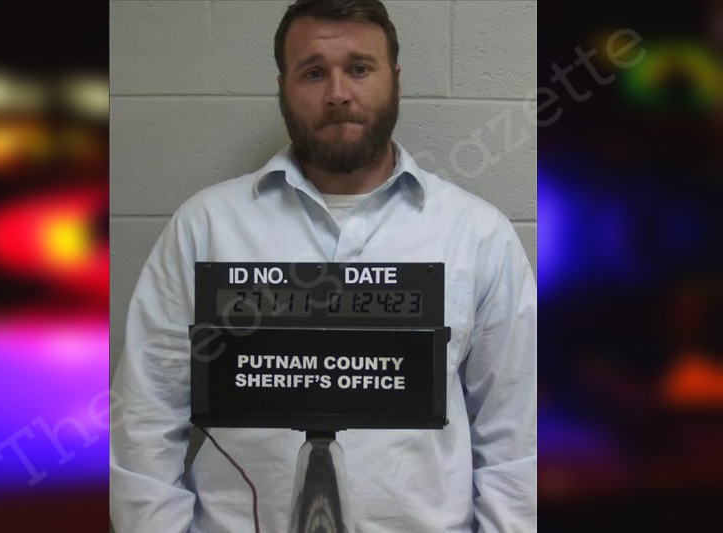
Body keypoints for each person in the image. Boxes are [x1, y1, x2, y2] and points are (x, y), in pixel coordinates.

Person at [110, 1, 537, 531]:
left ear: (395, 80)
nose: (338, 92)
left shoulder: (476, 234)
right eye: (313, 72)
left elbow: (516, 434)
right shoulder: (207, 225)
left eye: (359, 68)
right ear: (283, 87)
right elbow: (146, 415)